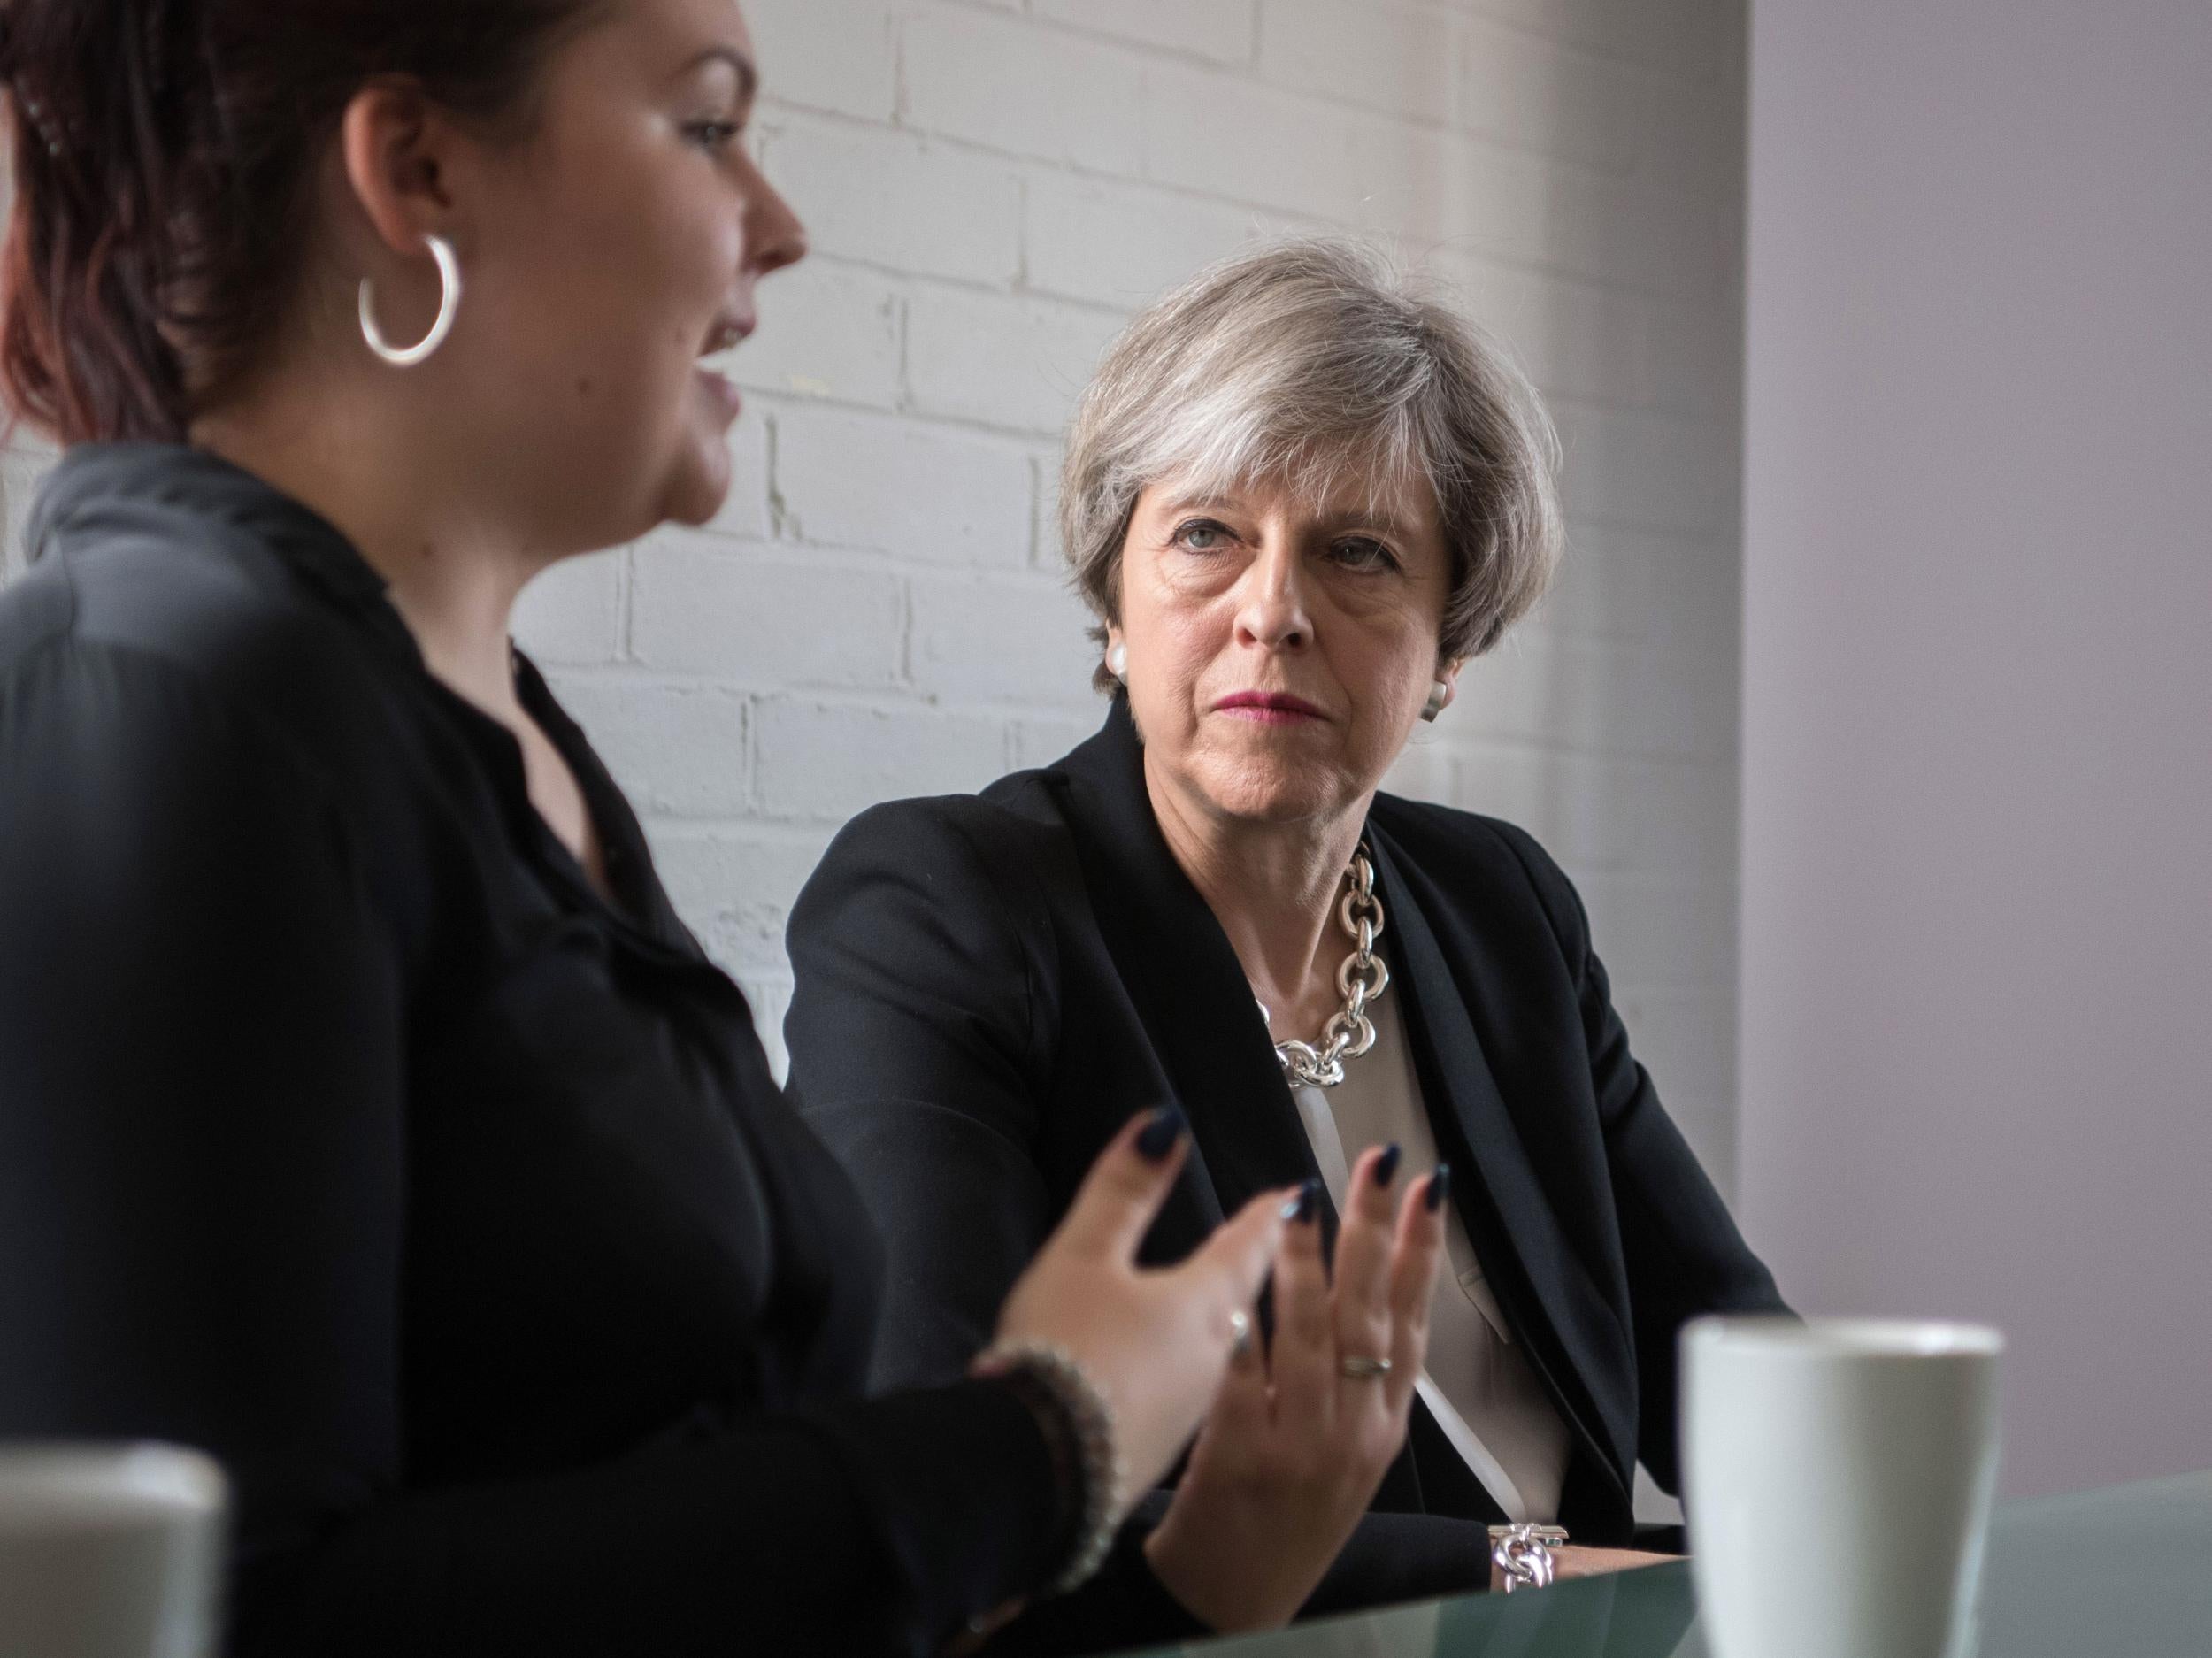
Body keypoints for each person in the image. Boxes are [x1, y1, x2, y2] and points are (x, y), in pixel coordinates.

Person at [0, 6, 1448, 1654]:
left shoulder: (493, 735)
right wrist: (1042, 1439)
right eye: (705, 127)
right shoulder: (162, 707)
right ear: (414, 175)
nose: (777, 220)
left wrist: (1194, 1562)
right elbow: (236, 1616)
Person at [785, 239, 1793, 1601]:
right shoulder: (947, 910)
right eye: (1206, 535)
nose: (1272, 612)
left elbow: (1735, 1362)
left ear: (1452, 647)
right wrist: (1546, 1575)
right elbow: (937, 1463)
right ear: (1114, 609)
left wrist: (1846, 1530)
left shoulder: (1502, 910)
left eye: (1358, 552)